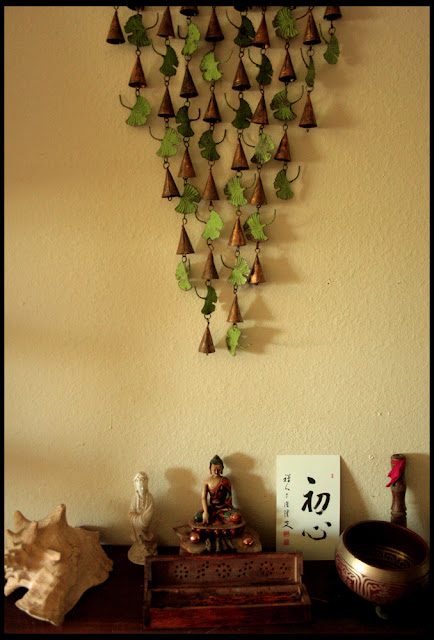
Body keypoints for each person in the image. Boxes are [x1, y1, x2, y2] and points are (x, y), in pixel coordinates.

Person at [194, 455, 242, 526]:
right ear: (210, 469)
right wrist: (206, 512)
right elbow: (203, 498)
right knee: (197, 517)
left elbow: (229, 499)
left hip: (224, 509)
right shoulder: (207, 482)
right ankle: (215, 516)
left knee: (236, 517)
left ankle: (217, 517)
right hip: (211, 509)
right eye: (214, 470)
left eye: (218, 470)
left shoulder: (225, 481)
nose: (216, 472)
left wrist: (222, 509)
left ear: (222, 469)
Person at [128, 471, 157, 564]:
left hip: (145, 522)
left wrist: (142, 519)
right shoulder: (134, 498)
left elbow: (150, 512)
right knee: (138, 537)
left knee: (146, 532)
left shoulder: (149, 497)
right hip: (137, 522)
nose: (142, 489)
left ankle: (146, 547)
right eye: (140, 487)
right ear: (136, 487)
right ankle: (139, 546)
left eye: (144, 487)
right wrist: (136, 518)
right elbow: (130, 512)